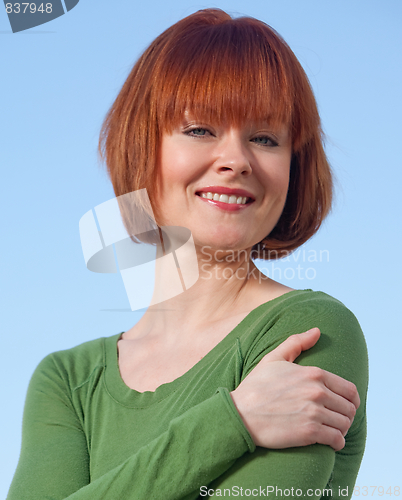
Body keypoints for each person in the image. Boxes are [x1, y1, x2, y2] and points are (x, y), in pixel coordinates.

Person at [7, 8, 368, 500]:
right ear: (143, 147)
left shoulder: (309, 332)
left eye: (265, 138)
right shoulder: (67, 381)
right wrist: (232, 422)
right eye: (200, 129)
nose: (236, 160)